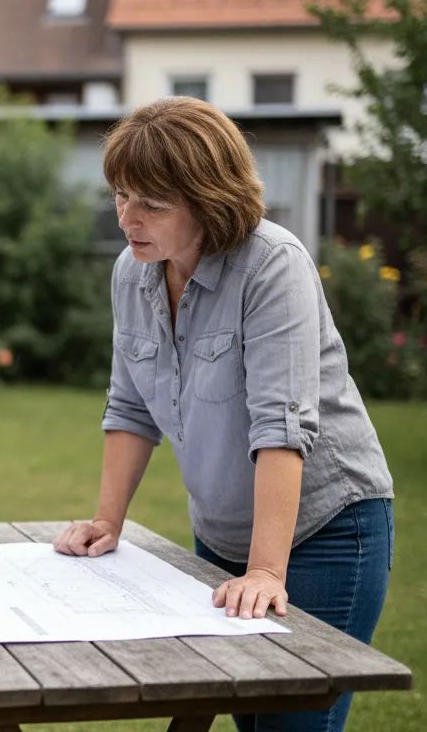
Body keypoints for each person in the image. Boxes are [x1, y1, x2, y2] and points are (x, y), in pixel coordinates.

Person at [54, 96, 395, 732]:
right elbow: (129, 406)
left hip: (324, 532)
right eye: (120, 196)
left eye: (151, 203)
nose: (128, 218)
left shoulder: (273, 265)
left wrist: (266, 570)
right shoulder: (133, 272)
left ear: (210, 199)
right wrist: (107, 520)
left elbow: (281, 427)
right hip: (219, 535)